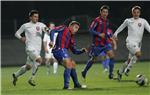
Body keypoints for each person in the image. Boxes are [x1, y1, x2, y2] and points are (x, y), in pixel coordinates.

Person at [113, 6, 150, 81]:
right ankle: (128, 70)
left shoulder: (143, 21)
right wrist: (115, 34)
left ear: (139, 13)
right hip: (130, 42)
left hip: (138, 43)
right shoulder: (128, 20)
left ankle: (120, 72)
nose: (136, 14)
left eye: (137, 12)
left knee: (129, 60)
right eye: (134, 12)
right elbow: (121, 27)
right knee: (138, 54)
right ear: (132, 13)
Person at [12, 10, 47, 86]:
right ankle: (32, 78)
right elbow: (16, 33)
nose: (36, 18)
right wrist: (21, 38)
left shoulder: (41, 25)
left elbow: (48, 31)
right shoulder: (25, 25)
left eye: (37, 17)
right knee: (39, 60)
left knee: (28, 67)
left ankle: (16, 75)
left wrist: (50, 31)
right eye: (35, 16)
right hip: (30, 48)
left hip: (37, 49)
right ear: (30, 17)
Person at [81, 5, 117, 80]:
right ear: (100, 12)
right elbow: (90, 30)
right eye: (103, 12)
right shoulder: (97, 20)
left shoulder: (107, 21)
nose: (105, 13)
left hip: (106, 43)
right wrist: (99, 34)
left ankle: (110, 74)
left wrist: (111, 37)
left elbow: (105, 32)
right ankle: (84, 71)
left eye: (106, 12)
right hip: (97, 44)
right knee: (93, 59)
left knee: (112, 56)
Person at [49, 21, 87, 89]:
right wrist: (51, 41)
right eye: (75, 27)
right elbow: (52, 30)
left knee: (72, 64)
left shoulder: (71, 38)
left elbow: (74, 51)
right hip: (58, 50)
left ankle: (76, 84)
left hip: (63, 52)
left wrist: (82, 51)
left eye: (77, 28)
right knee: (69, 64)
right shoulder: (64, 28)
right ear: (70, 26)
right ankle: (66, 86)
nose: (76, 30)